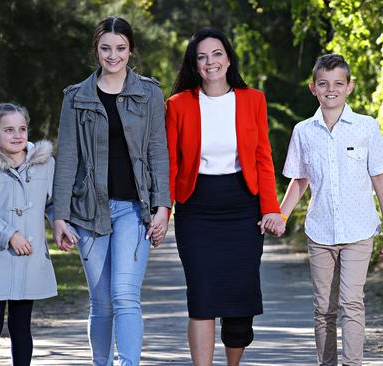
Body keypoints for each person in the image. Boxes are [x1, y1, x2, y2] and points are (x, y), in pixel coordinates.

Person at [52, 16, 170, 366]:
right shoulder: (76, 97)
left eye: (120, 48)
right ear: (96, 50)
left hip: (135, 210)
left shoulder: (149, 93)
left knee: (124, 294)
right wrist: (60, 216)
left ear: (131, 50)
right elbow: (67, 158)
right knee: (101, 301)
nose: (113, 55)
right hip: (89, 211)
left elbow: (158, 151)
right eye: (106, 48)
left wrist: (163, 206)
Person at [166, 27, 283, 366]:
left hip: (242, 208)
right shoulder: (177, 105)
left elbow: (263, 158)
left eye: (216, 54)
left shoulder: (253, 100)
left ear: (228, 58)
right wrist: (163, 210)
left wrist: (271, 209)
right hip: (196, 209)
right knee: (201, 297)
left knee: (239, 302)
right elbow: (171, 165)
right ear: (194, 64)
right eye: (202, 57)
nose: (210, 62)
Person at [277, 54, 383, 366]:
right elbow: (299, 180)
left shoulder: (366, 128)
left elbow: (380, 179)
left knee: (352, 302)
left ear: (349, 87)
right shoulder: (303, 131)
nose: (331, 89)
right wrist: (282, 214)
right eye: (324, 84)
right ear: (313, 88)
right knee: (323, 309)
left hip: (359, 230)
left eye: (338, 84)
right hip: (320, 231)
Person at [0, 103, 58, 366]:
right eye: (8, 130)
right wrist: (9, 235)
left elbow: (52, 204)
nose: (17, 135)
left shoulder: (45, 165)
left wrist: (62, 227)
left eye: (22, 129)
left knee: (21, 328)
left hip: (28, 258)